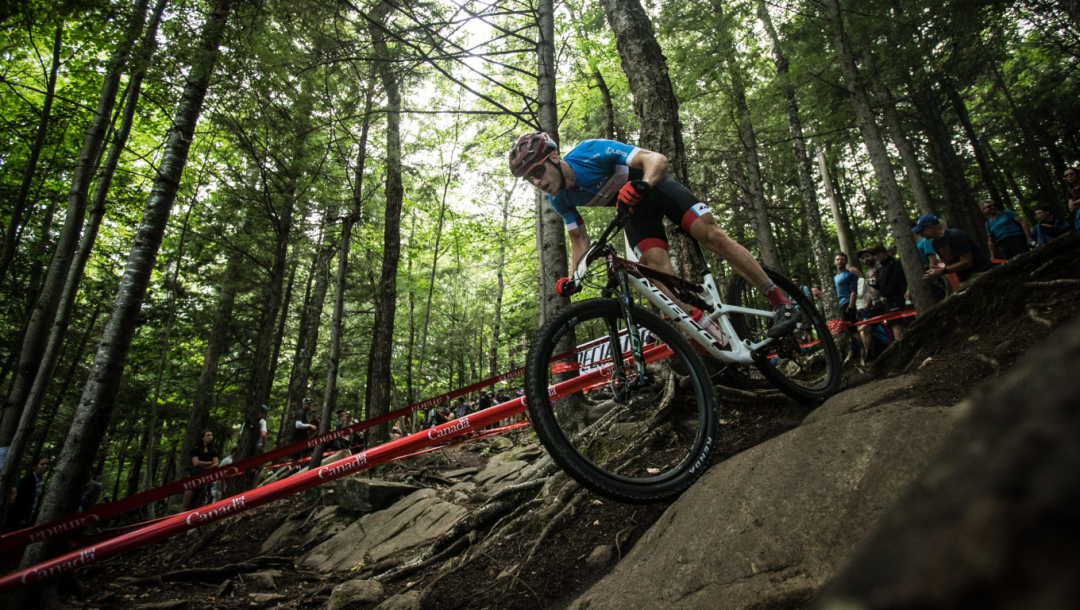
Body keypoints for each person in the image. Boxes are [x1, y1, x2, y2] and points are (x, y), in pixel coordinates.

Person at [509, 133, 802, 339]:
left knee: (712, 236)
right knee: (657, 274)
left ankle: (781, 302)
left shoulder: (590, 151)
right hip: (634, 213)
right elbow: (579, 240)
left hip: (656, 191)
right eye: (528, 179)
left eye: (537, 170)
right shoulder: (559, 199)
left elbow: (656, 159)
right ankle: (710, 337)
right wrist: (573, 277)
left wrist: (644, 183)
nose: (536, 181)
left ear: (555, 158)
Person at [914, 215, 993, 285]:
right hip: (964, 279)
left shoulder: (955, 236)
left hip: (980, 272)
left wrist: (942, 271)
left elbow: (967, 262)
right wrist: (935, 270)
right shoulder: (935, 244)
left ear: (930, 228)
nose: (920, 234)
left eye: (921, 231)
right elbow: (948, 264)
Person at [872, 245, 909, 340]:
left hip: (897, 297)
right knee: (893, 323)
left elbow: (896, 280)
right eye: (875, 255)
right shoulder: (880, 269)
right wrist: (872, 284)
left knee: (897, 322)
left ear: (885, 253)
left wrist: (886, 293)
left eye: (879, 253)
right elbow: (881, 286)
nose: (877, 256)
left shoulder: (894, 263)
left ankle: (902, 345)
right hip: (887, 300)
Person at [6, 456, 49, 532]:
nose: (45, 466)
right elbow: (16, 501)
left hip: (30, 519)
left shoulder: (42, 483)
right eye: (42, 464)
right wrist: (19, 518)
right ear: (35, 467)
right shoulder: (25, 481)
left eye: (47, 464)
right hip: (17, 520)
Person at [181, 431, 219, 511]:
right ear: (203, 438)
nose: (210, 437)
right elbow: (196, 463)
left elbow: (216, 464)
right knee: (186, 504)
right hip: (194, 476)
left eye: (211, 435)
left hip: (205, 478)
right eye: (207, 435)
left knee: (197, 504)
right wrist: (208, 463)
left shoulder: (212, 451)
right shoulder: (196, 449)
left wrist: (204, 467)